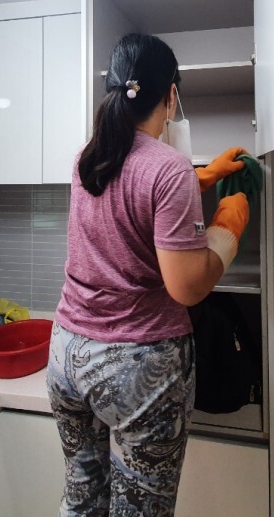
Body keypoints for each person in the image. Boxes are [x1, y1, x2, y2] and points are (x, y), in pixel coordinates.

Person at [47, 32, 251, 516]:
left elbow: (128, 198)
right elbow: (187, 286)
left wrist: (202, 177)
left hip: (67, 355)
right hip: (137, 368)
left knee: (82, 497)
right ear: (170, 95)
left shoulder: (87, 158)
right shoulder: (168, 168)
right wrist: (227, 230)